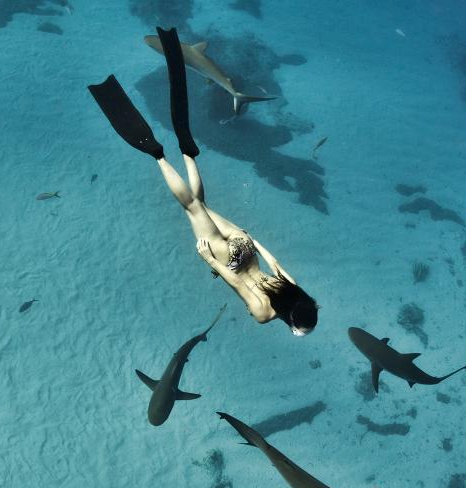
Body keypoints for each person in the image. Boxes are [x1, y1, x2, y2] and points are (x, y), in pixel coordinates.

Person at [88, 27, 318, 335]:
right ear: (290, 320)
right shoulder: (265, 313)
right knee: (192, 207)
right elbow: (237, 283)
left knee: (201, 204)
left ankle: (187, 152)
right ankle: (158, 155)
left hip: (245, 247)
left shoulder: (293, 287)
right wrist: (210, 260)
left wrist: (251, 238)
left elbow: (272, 260)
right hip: (230, 261)